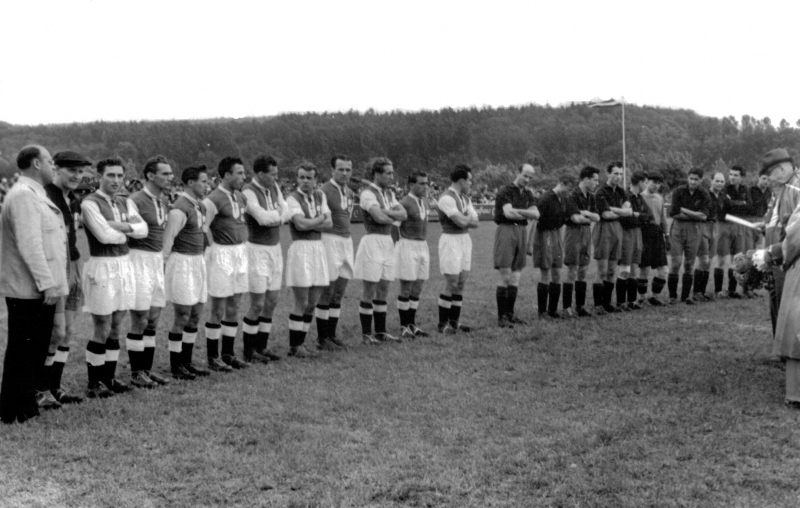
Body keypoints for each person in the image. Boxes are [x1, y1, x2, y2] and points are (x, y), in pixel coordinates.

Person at [0, 146, 68, 423]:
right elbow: (30, 245)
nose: (54, 166)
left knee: (33, 349)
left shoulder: (33, 195)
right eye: (51, 162)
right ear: (37, 163)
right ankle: (15, 408)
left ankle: (23, 405)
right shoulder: (23, 196)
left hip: (36, 287)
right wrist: (47, 283)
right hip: (29, 288)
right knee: (24, 349)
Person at [81, 157, 147, 398]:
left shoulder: (125, 201)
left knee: (117, 324)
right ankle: (94, 382)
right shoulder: (90, 203)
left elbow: (144, 230)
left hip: (124, 264)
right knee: (102, 325)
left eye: (120, 176)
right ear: (100, 176)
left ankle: (109, 378)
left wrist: (119, 227)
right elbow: (104, 236)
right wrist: (128, 230)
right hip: (103, 266)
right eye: (111, 175)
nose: (116, 180)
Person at [43, 150, 92, 405]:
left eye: (80, 171)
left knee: (68, 331)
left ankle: (55, 387)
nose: (77, 175)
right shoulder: (46, 196)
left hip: (73, 264)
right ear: (56, 169)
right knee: (56, 331)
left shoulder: (72, 199)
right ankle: (41, 389)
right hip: (57, 268)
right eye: (71, 170)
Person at [125, 155, 174, 388]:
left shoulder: (163, 201)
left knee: (153, 319)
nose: (170, 177)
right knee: (140, 318)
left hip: (156, 261)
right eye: (165, 173)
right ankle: (137, 373)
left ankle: (147, 369)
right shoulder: (135, 200)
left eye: (170, 173)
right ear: (150, 176)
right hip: (138, 260)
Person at [162, 165, 211, 380]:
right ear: (191, 183)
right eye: (203, 181)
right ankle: (176, 365)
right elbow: (167, 242)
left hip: (198, 262)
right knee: (182, 315)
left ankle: (188, 362)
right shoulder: (179, 208)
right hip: (181, 263)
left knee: (196, 314)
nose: (207, 185)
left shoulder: (199, 206)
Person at [241, 155, 289, 362]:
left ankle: (262, 346)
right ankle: (249, 350)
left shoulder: (274, 187)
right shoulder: (248, 192)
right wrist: (279, 215)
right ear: (260, 174)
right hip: (257, 250)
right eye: (273, 174)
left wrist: (277, 216)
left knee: (272, 302)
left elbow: (287, 210)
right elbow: (261, 218)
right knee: (258, 304)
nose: (276, 178)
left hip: (275, 248)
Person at [354, 157, 407, 344]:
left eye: (392, 172)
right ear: (377, 174)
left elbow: (404, 214)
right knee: (369, 289)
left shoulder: (389, 194)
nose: (392, 176)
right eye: (388, 173)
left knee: (383, 289)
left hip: (387, 242)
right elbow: (377, 217)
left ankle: (381, 332)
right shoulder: (368, 194)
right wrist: (390, 213)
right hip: (372, 242)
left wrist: (386, 212)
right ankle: (367, 334)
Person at [203, 156, 249, 371]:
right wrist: (212, 250)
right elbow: (202, 228)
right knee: (218, 307)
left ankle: (228, 354)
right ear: (227, 175)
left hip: (240, 253)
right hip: (222, 254)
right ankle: (213, 357)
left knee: (235, 305)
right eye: (239, 173)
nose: (243, 177)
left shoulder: (240, 196)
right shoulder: (213, 199)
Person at [284, 162, 332, 357]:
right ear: (297, 179)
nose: (305, 181)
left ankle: (301, 344)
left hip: (318, 249)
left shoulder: (321, 195)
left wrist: (315, 221)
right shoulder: (292, 199)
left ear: (315, 179)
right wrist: (320, 219)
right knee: (301, 301)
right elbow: (301, 225)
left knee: (313, 301)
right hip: (301, 249)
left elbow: (330, 223)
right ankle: (295, 346)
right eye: (301, 177)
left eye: (309, 177)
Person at [758, 149, 800, 334]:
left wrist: (776, 251)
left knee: (788, 300)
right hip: (779, 249)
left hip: (790, 255)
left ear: (782, 169)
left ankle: (790, 352)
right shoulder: (783, 188)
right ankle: (780, 347)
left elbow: (794, 229)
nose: (768, 178)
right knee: (776, 293)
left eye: (770, 173)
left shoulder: (795, 188)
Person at [316, 155, 356, 349]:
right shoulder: (324, 191)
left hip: (346, 241)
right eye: (341, 169)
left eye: (348, 169)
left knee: (339, 290)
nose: (345, 173)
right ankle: (322, 338)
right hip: (330, 240)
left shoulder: (348, 191)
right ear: (332, 170)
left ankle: (331, 335)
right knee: (327, 290)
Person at [493, 164, 538, 327]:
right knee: (505, 275)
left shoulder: (528, 193)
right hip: (506, 230)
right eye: (525, 175)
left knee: (516, 277)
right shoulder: (505, 190)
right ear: (518, 173)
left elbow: (536, 214)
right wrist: (525, 212)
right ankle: (501, 317)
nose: (527, 180)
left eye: (530, 178)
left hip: (521, 232)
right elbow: (508, 213)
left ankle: (510, 314)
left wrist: (518, 211)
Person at [436, 165, 479, 334]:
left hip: (464, 240)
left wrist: (465, 218)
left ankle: (454, 322)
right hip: (450, 240)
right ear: (461, 181)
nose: (471, 183)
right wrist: (467, 217)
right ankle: (442, 323)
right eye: (469, 180)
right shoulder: (446, 198)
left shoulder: (465, 199)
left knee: (461, 282)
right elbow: (462, 222)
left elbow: (475, 223)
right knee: (451, 282)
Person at [396, 171, 433, 339]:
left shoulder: (425, 201)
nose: (425, 186)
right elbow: (393, 228)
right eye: (421, 183)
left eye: (426, 183)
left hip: (423, 245)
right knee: (406, 287)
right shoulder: (404, 203)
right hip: (408, 245)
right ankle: (404, 326)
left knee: (418, 286)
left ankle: (412, 324)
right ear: (411, 185)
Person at [592, 162, 633, 314]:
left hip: (617, 228)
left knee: (612, 270)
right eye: (615, 173)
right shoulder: (600, 191)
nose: (618, 177)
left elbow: (628, 210)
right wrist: (621, 211)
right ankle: (598, 305)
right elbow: (606, 214)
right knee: (602, 270)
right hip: (604, 229)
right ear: (608, 173)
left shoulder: (621, 192)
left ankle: (607, 303)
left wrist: (617, 211)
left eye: (621, 174)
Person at [668, 168, 710, 305]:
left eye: (696, 179)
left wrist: (684, 209)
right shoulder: (678, 191)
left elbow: (704, 216)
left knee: (689, 263)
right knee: (676, 262)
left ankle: (685, 296)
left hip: (694, 229)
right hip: (678, 228)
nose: (693, 181)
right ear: (688, 178)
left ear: (701, 180)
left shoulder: (704, 194)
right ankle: (672, 296)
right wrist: (694, 214)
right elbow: (674, 213)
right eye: (691, 178)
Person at [533, 175, 574, 318]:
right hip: (545, 235)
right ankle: (542, 312)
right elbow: (534, 221)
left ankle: (552, 310)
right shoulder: (546, 198)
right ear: (561, 184)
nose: (568, 194)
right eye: (567, 190)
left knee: (557, 272)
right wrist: (529, 245)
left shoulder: (563, 199)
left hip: (557, 235)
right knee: (546, 272)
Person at [563, 166, 600, 317]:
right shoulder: (572, 196)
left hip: (586, 233)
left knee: (583, 270)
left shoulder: (591, 197)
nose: (597, 183)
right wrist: (587, 216)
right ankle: (566, 308)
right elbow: (575, 218)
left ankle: (580, 306)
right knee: (572, 270)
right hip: (574, 233)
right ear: (586, 179)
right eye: (595, 180)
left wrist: (585, 212)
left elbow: (597, 217)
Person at [617, 170, 652, 310]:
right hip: (627, 233)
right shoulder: (626, 196)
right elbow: (626, 217)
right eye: (645, 182)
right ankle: (620, 302)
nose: (646, 185)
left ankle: (631, 301)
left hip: (638, 234)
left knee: (634, 269)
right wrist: (639, 216)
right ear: (639, 182)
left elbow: (648, 216)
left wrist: (638, 216)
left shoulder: (639, 197)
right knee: (625, 268)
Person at [717, 166, 751, 298]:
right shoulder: (724, 189)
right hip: (724, 226)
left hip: (739, 226)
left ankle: (732, 290)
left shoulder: (745, 189)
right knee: (721, 258)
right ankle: (718, 291)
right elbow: (726, 205)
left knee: (737, 259)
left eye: (736, 175)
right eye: (731, 174)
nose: (732, 177)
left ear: (741, 177)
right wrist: (740, 204)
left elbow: (749, 206)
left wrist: (734, 203)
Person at [639, 171, 670, 306]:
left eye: (659, 183)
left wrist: (667, 236)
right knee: (644, 269)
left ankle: (654, 296)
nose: (656, 185)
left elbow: (663, 219)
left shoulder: (660, 198)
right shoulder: (639, 197)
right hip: (644, 233)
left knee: (663, 270)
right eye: (654, 182)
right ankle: (642, 298)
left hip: (657, 234)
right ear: (647, 181)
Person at [707, 173, 731, 299]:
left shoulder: (724, 197)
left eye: (722, 182)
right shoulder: (705, 194)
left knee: (720, 260)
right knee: (706, 260)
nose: (719, 184)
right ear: (711, 181)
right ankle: (699, 292)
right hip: (706, 228)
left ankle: (717, 291)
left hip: (719, 229)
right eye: (717, 181)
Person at [750, 173, 772, 250]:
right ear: (759, 178)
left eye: (768, 180)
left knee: (760, 245)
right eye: (764, 178)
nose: (766, 181)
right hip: (751, 219)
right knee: (749, 245)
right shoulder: (751, 190)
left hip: (762, 219)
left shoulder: (769, 192)